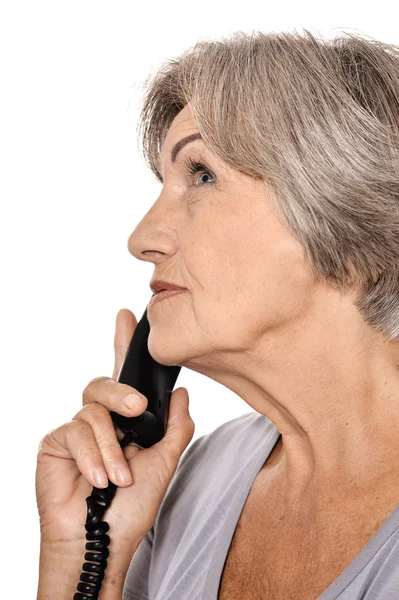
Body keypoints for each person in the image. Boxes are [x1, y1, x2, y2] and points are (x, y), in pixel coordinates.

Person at [36, 28, 399, 600]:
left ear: (350, 218)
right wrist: (85, 563)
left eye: (201, 176)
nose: (142, 239)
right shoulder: (193, 482)